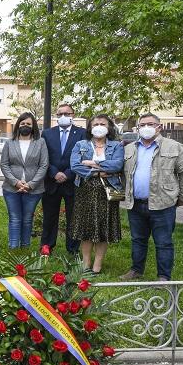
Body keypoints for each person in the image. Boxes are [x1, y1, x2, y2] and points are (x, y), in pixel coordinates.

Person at [120, 114, 183, 281]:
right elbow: (124, 174)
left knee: (163, 242)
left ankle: (163, 276)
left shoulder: (174, 147)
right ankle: (136, 270)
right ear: (138, 128)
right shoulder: (129, 148)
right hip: (136, 204)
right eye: (143, 124)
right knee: (138, 240)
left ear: (159, 127)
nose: (146, 127)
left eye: (151, 124)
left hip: (163, 204)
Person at [70, 114, 124, 274]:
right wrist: (99, 172)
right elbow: (74, 166)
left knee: (103, 227)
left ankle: (98, 264)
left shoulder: (116, 146)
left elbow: (117, 165)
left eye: (103, 124)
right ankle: (86, 262)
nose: (99, 126)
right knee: (85, 228)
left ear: (109, 128)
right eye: (95, 124)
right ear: (90, 128)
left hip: (107, 192)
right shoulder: (80, 144)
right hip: (84, 191)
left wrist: (93, 163)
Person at [41, 104, 86, 254]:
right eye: (60, 114)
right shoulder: (47, 133)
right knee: (49, 217)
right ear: (56, 115)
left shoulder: (82, 133)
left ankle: (72, 249)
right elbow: (43, 157)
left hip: (72, 181)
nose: (63, 116)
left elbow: (83, 157)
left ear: (73, 115)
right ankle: (47, 246)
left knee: (73, 217)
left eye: (67, 113)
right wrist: (54, 173)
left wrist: (67, 173)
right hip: (51, 181)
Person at [0, 112, 49, 249]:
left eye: (28, 124)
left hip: (34, 189)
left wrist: (30, 184)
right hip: (11, 188)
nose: (25, 126)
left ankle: (25, 247)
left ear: (33, 126)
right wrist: (15, 182)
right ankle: (14, 248)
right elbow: (4, 164)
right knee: (15, 219)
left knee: (27, 219)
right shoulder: (10, 143)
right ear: (18, 125)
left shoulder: (40, 142)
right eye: (22, 123)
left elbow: (44, 165)